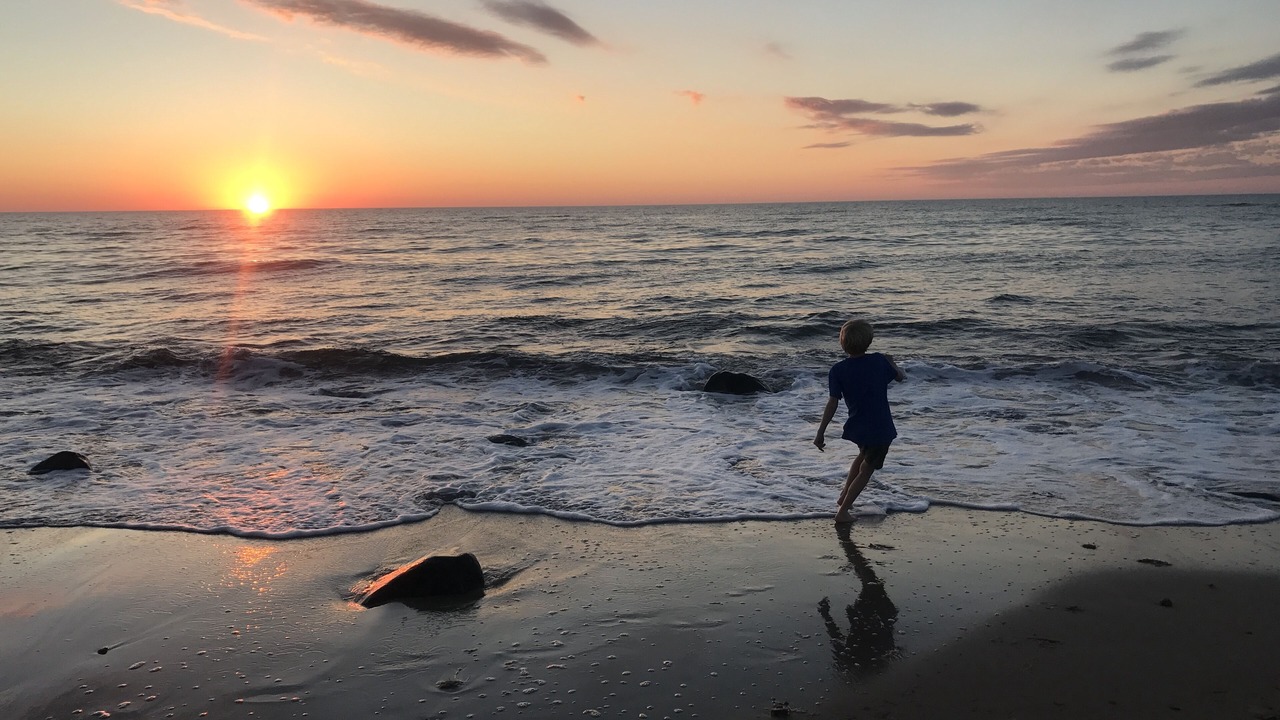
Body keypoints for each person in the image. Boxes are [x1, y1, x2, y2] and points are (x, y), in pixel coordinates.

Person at [813, 319, 905, 523]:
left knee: (863, 456)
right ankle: (843, 511)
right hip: (879, 427)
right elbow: (900, 377)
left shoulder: (837, 370)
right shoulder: (879, 361)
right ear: (869, 341)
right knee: (867, 469)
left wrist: (821, 431)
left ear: (842, 343)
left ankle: (843, 497)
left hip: (858, 426)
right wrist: (892, 363)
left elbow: (832, 402)